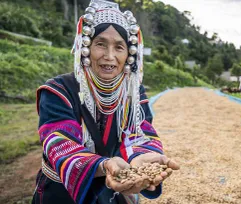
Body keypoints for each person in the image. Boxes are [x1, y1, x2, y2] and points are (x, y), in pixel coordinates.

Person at [32, 1, 179, 203]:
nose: (109, 56)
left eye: (119, 47)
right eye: (100, 44)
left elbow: (140, 132)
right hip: (61, 193)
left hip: (115, 190)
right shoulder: (59, 91)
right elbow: (59, 142)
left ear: (129, 54)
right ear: (86, 47)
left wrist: (140, 158)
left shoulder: (133, 93)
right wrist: (103, 165)